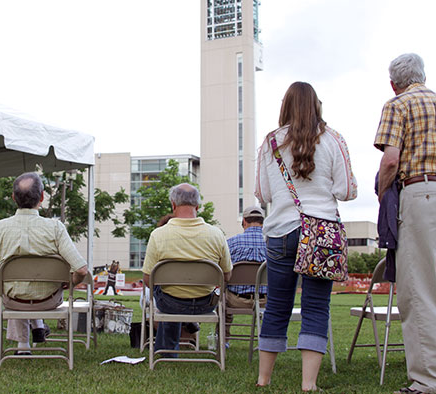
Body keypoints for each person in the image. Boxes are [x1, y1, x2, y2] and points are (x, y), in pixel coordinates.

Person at [255, 82, 357, 391]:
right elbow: (347, 190)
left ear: (285, 105)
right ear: (316, 105)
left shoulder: (270, 142)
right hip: (321, 231)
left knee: (276, 305)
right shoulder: (333, 139)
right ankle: (308, 384)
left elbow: (263, 193)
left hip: (281, 230)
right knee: (315, 306)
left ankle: (263, 380)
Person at [374, 53, 436, 394]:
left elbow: (391, 159)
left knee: (418, 292)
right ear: (422, 75)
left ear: (394, 83)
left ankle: (428, 381)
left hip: (420, 193)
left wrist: (383, 194)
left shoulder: (398, 104)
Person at [0, 172, 88, 354]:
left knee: (9, 285)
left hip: (12, 301)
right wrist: (69, 283)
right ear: (42, 197)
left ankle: (23, 345)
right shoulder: (56, 228)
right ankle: (37, 326)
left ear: (13, 197)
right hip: (48, 300)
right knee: (23, 287)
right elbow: (82, 270)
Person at [142, 183, 232, 356]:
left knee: (162, 290)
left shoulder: (158, 235)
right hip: (205, 304)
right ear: (197, 206)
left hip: (170, 303)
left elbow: (148, 280)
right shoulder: (216, 234)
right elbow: (227, 275)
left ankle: (166, 351)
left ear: (173, 204)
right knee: (167, 293)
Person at [222, 205, 268, 347]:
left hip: (236, 300)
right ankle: (268, 340)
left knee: (223, 296)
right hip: (266, 301)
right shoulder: (272, 244)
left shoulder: (231, 243)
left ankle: (224, 340)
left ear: (244, 222)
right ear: (263, 222)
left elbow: (222, 270)